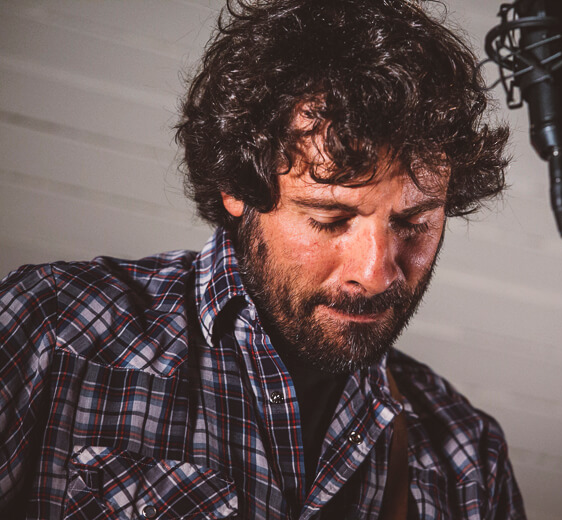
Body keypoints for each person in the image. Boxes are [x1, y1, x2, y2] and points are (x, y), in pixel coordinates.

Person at [0, 0, 525, 518]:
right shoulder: (50, 329)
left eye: (414, 224)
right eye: (329, 219)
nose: (375, 272)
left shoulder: (470, 457)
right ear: (237, 187)